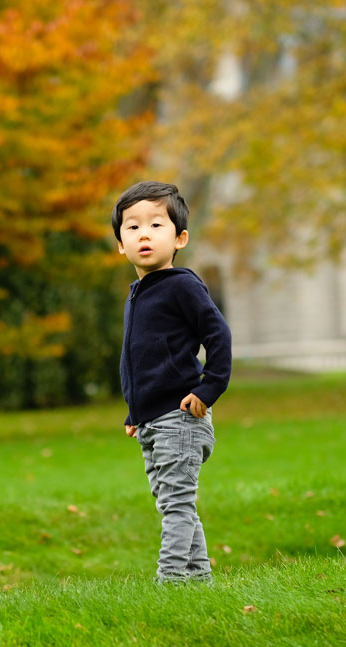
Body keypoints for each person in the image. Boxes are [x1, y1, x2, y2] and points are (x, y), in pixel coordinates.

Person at [113, 181, 232, 584]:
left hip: (180, 418)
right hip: (150, 420)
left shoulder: (182, 285)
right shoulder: (136, 294)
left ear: (180, 237)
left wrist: (207, 388)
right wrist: (135, 411)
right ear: (120, 244)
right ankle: (198, 582)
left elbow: (218, 337)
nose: (143, 234)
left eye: (156, 225)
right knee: (172, 503)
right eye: (132, 227)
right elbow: (139, 360)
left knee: (177, 505)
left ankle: (170, 583)